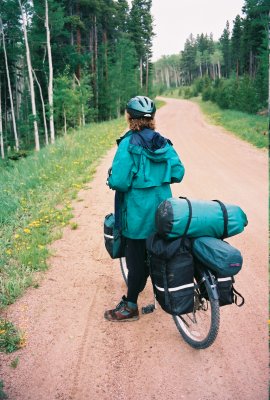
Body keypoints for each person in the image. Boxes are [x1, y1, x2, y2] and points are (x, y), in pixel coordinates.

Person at [104, 95, 185, 322]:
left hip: (137, 215)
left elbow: (120, 181)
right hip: (163, 213)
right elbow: (178, 172)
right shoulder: (164, 143)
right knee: (158, 251)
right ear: (152, 119)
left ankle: (130, 306)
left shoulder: (128, 144)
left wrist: (112, 180)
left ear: (130, 117)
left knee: (136, 259)